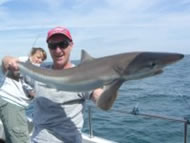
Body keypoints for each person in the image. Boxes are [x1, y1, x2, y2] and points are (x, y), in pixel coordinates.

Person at [2, 26, 104, 143]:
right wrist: (9, 61)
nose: (58, 50)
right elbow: (6, 64)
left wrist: (108, 89)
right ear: (49, 48)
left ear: (71, 45)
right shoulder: (38, 72)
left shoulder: (82, 76)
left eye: (63, 44)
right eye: (53, 46)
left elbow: (99, 96)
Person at [0, 47, 47, 143]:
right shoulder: (23, 61)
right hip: (12, 103)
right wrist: (9, 61)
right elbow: (7, 61)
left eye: (42, 59)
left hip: (8, 103)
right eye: (38, 57)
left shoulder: (35, 68)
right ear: (31, 54)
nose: (40, 60)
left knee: (11, 138)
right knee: (21, 139)